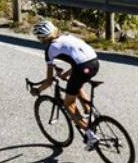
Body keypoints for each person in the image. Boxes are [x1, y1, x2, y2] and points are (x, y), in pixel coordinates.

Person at [29, 20, 101, 150]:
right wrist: (66, 74)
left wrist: (37, 90)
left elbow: (49, 81)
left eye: (39, 37)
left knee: (68, 103)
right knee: (76, 85)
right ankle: (89, 111)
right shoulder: (68, 36)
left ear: (42, 38)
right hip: (94, 63)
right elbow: (78, 60)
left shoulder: (50, 50)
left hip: (81, 68)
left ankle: (90, 135)